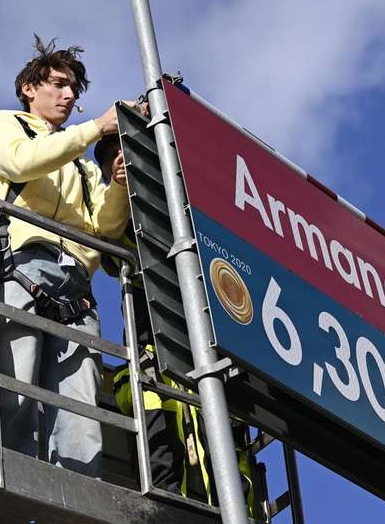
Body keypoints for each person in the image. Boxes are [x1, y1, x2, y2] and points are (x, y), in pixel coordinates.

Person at [0, 35, 132, 477]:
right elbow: (21, 164)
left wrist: (117, 182)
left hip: (77, 287)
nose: (68, 96)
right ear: (30, 87)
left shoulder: (80, 163)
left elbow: (104, 228)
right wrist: (94, 130)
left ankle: (76, 503)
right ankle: (10, 494)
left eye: (73, 91)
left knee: (82, 412)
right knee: (16, 393)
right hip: (21, 268)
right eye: (59, 85)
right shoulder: (4, 125)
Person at [95, 136, 257, 511]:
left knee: (228, 452)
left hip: (213, 357)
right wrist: (121, 186)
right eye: (111, 163)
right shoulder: (119, 215)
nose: (120, 164)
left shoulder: (188, 211)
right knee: (162, 454)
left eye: (126, 155)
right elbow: (106, 240)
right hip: (155, 355)